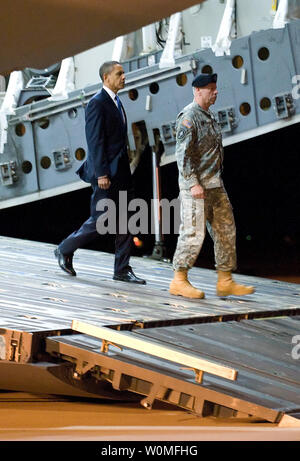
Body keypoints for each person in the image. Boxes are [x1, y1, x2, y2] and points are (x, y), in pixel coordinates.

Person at [54, 61, 146, 284]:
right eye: (119, 74)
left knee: (126, 220)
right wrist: (102, 173)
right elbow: (95, 142)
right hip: (106, 174)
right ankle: (64, 249)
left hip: (122, 173)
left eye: (123, 73)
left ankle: (122, 269)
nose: (124, 77)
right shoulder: (97, 103)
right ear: (106, 78)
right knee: (101, 221)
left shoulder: (116, 101)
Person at [169, 73, 254, 298]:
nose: (215, 92)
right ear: (198, 91)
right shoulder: (188, 117)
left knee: (226, 230)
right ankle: (179, 280)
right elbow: (183, 155)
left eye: (216, 88)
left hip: (215, 185)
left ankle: (225, 280)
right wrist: (192, 183)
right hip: (196, 188)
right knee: (193, 234)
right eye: (210, 89)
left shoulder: (208, 115)